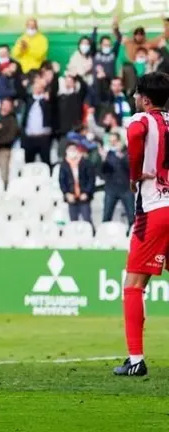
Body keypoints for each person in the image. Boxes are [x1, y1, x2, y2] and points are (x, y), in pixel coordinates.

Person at [113, 72, 169, 377]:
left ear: (145, 98)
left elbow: (134, 136)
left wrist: (135, 173)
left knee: (133, 286)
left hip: (155, 208)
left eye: (137, 95)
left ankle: (135, 360)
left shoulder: (142, 120)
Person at [101, 132, 134, 226]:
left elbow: (131, 168)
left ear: (120, 141)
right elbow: (104, 171)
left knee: (131, 216)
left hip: (126, 189)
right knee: (106, 216)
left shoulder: (128, 152)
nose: (113, 144)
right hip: (111, 190)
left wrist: (122, 157)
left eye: (114, 141)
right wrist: (103, 160)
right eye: (111, 142)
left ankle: (132, 237)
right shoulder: (108, 154)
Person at [59, 143, 95, 223]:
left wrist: (86, 192)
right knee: (73, 221)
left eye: (74, 150)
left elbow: (91, 179)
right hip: (71, 196)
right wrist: (67, 193)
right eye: (70, 150)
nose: (72, 152)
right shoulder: (64, 165)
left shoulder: (85, 163)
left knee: (87, 219)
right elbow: (62, 181)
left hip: (84, 196)